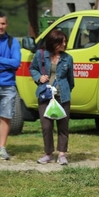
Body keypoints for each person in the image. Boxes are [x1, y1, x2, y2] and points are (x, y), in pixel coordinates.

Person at [29, 30, 74, 165]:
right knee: (46, 126)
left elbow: (71, 80)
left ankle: (62, 154)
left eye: (65, 41)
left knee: (63, 125)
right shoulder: (41, 54)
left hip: (62, 96)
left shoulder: (68, 58)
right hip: (45, 95)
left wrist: (65, 90)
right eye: (62, 42)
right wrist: (39, 77)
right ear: (53, 43)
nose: (64, 44)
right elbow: (33, 69)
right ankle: (48, 153)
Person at [0, 11, 21, 160]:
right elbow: (11, 63)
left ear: (7, 25)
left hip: (8, 85)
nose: (0, 26)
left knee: (5, 117)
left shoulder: (12, 42)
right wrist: (6, 63)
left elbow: (16, 63)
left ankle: (1, 148)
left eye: (3, 23)